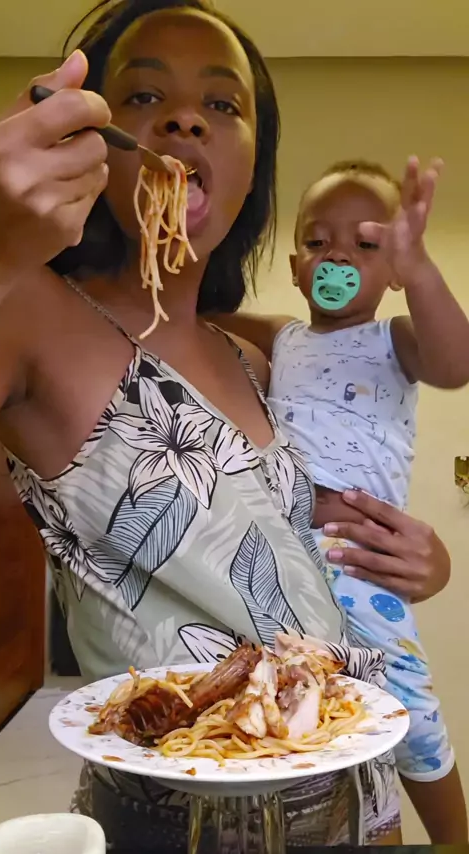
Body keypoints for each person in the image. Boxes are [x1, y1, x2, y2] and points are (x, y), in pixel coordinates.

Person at [0, 2, 453, 848]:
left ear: (251, 172)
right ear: (90, 139)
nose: (183, 118)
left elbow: (300, 541)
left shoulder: (258, 357)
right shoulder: (25, 309)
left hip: (358, 795)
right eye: (142, 97)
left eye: (221, 103)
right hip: (180, 820)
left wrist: (417, 557)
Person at [216, 158, 469, 843]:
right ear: (297, 268)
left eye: (366, 243)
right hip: (285, 551)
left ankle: (453, 836)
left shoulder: (397, 339)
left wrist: (421, 270)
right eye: (318, 241)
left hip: (360, 555)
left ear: (392, 271)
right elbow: (201, 322)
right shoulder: (282, 336)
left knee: (407, 701)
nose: (338, 257)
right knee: (309, 699)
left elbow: (457, 364)